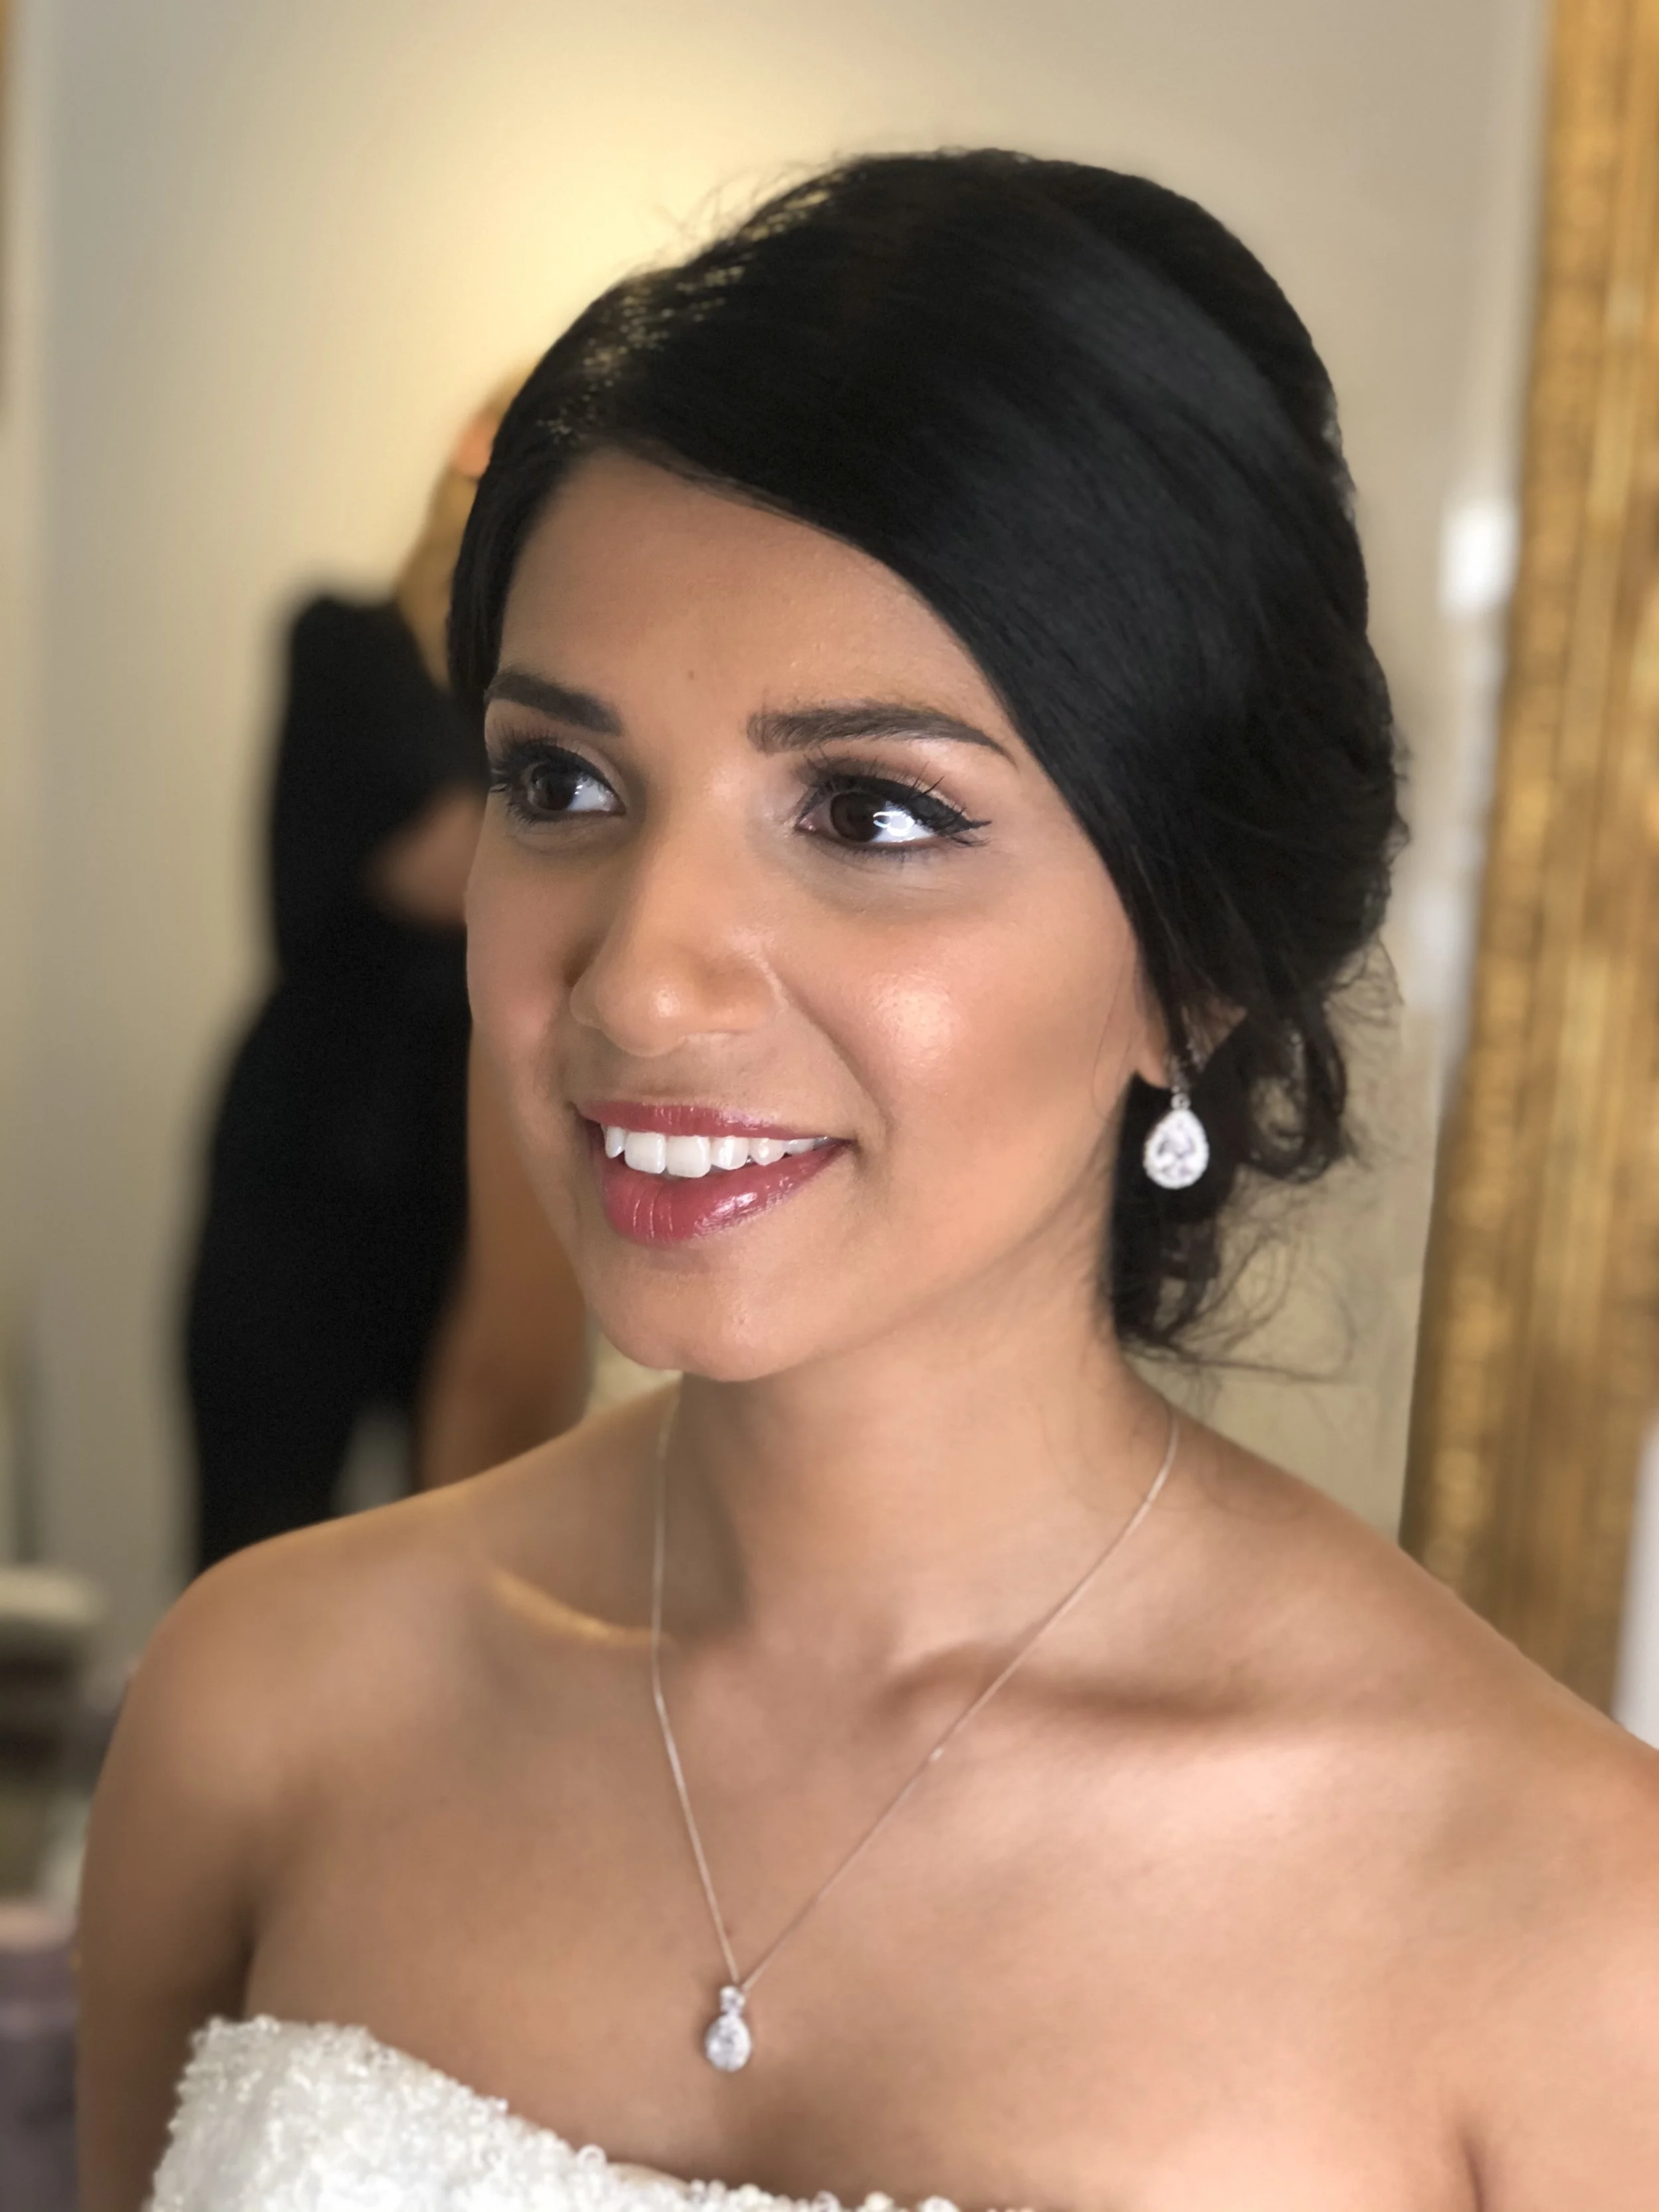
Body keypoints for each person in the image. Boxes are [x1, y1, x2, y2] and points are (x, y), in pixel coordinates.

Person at [84, 152, 1659, 2209]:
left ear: (1194, 956)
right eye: (561, 782)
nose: (639, 977)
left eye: (870, 808)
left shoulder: (1562, 1922)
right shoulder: (259, 1706)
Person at [182, 382, 584, 1564]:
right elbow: (444, 859)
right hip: (310, 1144)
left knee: (462, 1534)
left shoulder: (558, 678)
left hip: (473, 1153)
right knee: (254, 1530)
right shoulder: (347, 642)